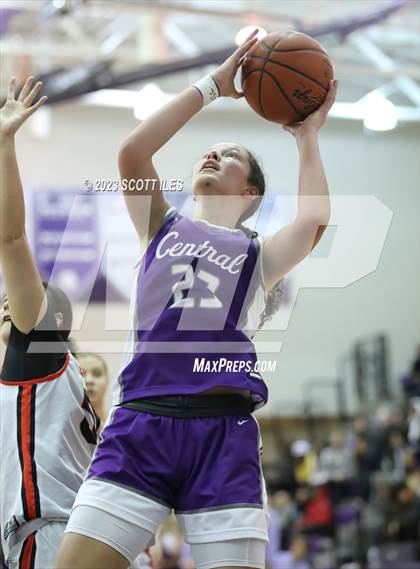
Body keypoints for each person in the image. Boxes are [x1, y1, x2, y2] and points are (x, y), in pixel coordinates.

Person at [56, 28, 337, 569]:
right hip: (140, 424)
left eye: (230, 154)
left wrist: (307, 134)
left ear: (251, 193)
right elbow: (133, 151)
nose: (213, 153)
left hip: (222, 434)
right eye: (210, 150)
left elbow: (314, 219)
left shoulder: (261, 255)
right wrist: (213, 86)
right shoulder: (159, 224)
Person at [0, 76, 100, 569]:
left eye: (15, 303)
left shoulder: (40, 352)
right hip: (61, 534)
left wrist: (3, 146)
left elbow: (12, 239)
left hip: (50, 540)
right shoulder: (43, 381)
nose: (8, 305)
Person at [78, 353, 110, 426]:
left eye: (97, 374)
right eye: (81, 374)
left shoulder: (120, 428)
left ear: (107, 381)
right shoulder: (64, 432)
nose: (89, 380)